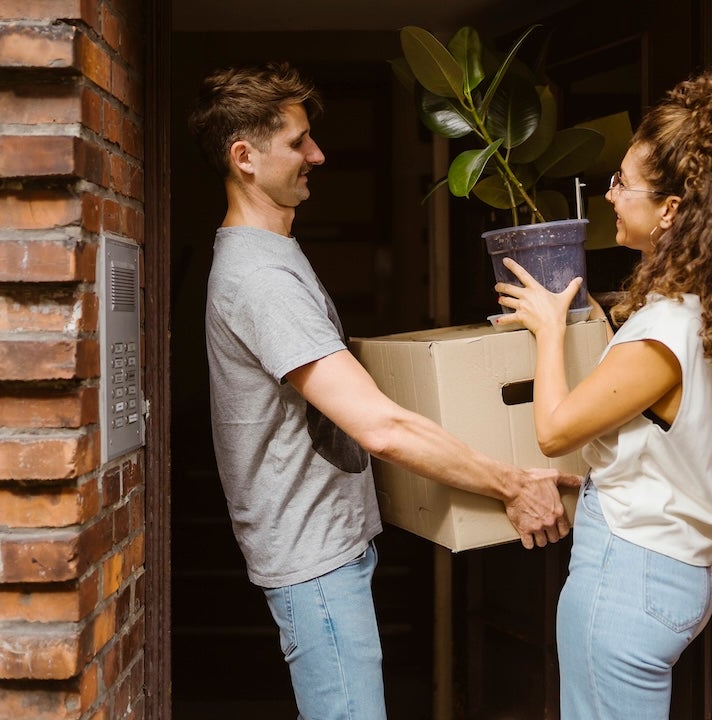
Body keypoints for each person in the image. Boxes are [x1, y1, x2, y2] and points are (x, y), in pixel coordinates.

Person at [187, 61, 580, 720]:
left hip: (326, 550)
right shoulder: (260, 280)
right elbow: (380, 427)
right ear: (244, 157)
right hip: (313, 564)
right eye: (298, 142)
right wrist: (511, 484)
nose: (318, 154)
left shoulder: (274, 255)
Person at [493, 68, 712, 719]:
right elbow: (667, 438)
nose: (610, 193)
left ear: (671, 209)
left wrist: (546, 331)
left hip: (629, 578)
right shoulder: (706, 308)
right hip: (670, 572)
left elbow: (555, 430)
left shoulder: (663, 331)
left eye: (624, 182)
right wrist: (606, 476)